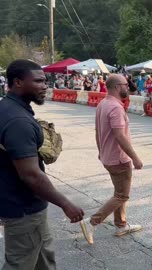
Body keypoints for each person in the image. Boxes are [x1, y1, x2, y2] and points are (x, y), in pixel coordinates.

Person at [0, 59, 84, 269]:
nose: (45, 85)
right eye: (38, 81)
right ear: (18, 82)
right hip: (24, 210)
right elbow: (30, 175)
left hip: (23, 206)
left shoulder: (7, 108)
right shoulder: (18, 121)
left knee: (44, 258)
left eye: (45, 81)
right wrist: (66, 203)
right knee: (20, 263)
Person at [80, 74, 144, 245]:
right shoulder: (115, 107)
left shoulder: (103, 103)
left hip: (108, 157)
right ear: (117, 87)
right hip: (119, 159)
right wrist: (135, 158)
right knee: (122, 195)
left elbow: (98, 131)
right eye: (125, 84)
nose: (128, 87)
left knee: (120, 192)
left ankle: (121, 224)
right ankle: (92, 222)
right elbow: (120, 136)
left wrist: (101, 152)